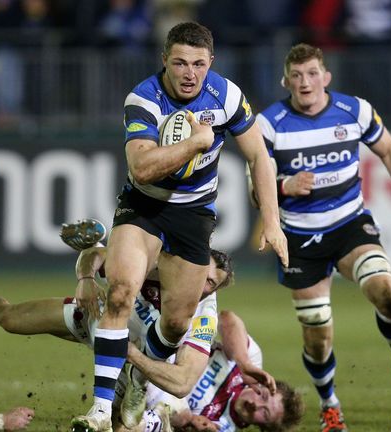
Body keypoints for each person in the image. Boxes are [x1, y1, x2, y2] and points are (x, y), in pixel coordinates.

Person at [73, 21, 289, 432]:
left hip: (194, 215)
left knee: (174, 323)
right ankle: (100, 412)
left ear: (211, 63)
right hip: (144, 207)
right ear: (164, 61)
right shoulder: (143, 99)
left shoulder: (226, 96)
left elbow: (259, 156)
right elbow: (140, 167)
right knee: (120, 292)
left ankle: (138, 381)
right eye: (179, 63)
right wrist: (194, 143)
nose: (189, 73)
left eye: (198, 64)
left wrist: (273, 222)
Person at [252, 43, 391, 432]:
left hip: (348, 225)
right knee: (318, 337)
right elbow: (255, 189)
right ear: (285, 80)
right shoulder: (269, 124)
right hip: (299, 239)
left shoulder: (354, 110)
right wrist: (284, 184)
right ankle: (331, 405)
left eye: (312, 73)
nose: (305, 82)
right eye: (296, 75)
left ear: (326, 76)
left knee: (387, 294)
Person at [0, 219, 236, 429]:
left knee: (122, 428)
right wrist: (87, 278)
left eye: (211, 283)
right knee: (9, 318)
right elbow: (97, 255)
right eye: (202, 275)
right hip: (96, 316)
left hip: (130, 358)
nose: (203, 284)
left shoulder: (202, 314)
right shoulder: (161, 262)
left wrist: (129, 354)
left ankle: (147, 410)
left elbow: (182, 383)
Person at [122, 310, 305, 432]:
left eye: (264, 413)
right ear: (265, 386)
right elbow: (227, 319)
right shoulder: (251, 365)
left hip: (150, 388)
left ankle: (130, 356)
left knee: (178, 417)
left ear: (263, 427)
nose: (255, 405)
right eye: (263, 397)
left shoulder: (223, 427)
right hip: (165, 342)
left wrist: (193, 422)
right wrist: (243, 363)